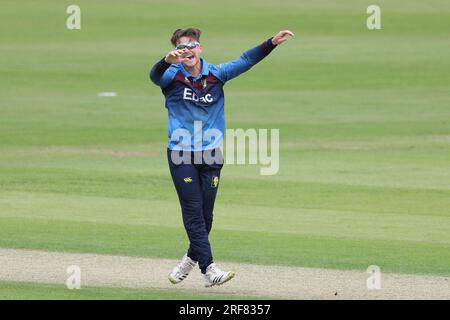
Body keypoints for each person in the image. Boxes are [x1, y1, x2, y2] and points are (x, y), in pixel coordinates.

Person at [149, 28, 294, 287]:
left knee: (206, 216)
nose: (188, 50)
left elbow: (246, 60)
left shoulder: (216, 74)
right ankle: (209, 268)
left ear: (200, 48)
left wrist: (271, 43)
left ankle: (190, 259)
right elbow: (154, 75)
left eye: (192, 45)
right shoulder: (171, 77)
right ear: (177, 53)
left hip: (211, 154)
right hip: (181, 154)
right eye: (182, 48)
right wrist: (165, 61)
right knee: (193, 213)